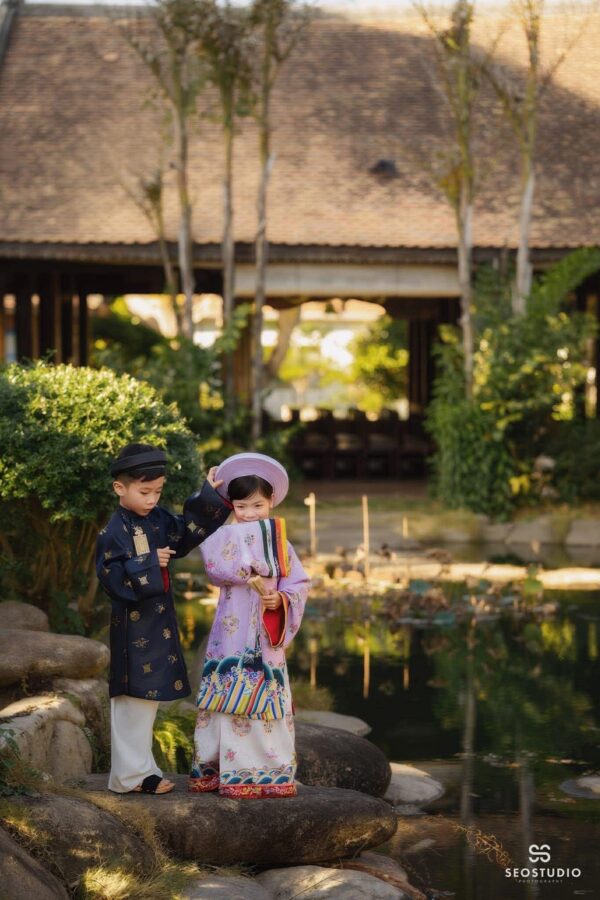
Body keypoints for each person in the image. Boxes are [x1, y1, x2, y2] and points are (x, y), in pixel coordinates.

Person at [96, 442, 230, 795]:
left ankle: (141, 771)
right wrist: (148, 562)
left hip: (158, 623)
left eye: (157, 491)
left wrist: (209, 496)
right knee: (132, 700)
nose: (152, 499)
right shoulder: (113, 531)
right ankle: (129, 776)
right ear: (119, 487)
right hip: (132, 627)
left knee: (148, 699)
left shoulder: (156, 518)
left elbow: (185, 533)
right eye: (145, 492)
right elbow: (110, 578)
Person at [189, 452, 310, 799]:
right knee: (226, 690)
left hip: (264, 633)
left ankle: (268, 772)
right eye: (241, 506)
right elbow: (213, 564)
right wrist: (208, 496)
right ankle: (220, 769)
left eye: (258, 505)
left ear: (271, 501)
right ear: (232, 505)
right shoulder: (223, 536)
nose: (250, 513)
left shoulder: (280, 541)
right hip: (231, 630)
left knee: (265, 693)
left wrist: (281, 600)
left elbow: (299, 583)